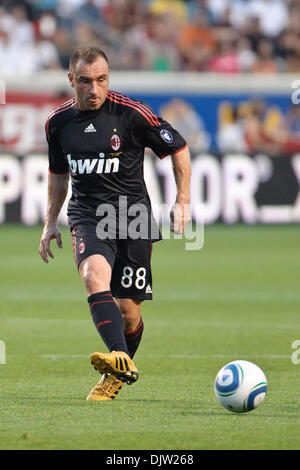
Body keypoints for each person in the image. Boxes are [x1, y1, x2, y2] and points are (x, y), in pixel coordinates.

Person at [38, 46, 191, 401]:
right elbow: (58, 175)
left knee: (128, 310)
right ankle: (119, 359)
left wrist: (182, 200)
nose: (95, 89)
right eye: (86, 81)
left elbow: (178, 148)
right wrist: (50, 222)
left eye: (102, 80)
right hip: (88, 216)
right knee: (94, 276)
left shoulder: (132, 114)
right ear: (71, 80)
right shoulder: (57, 123)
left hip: (132, 217)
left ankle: (118, 373)